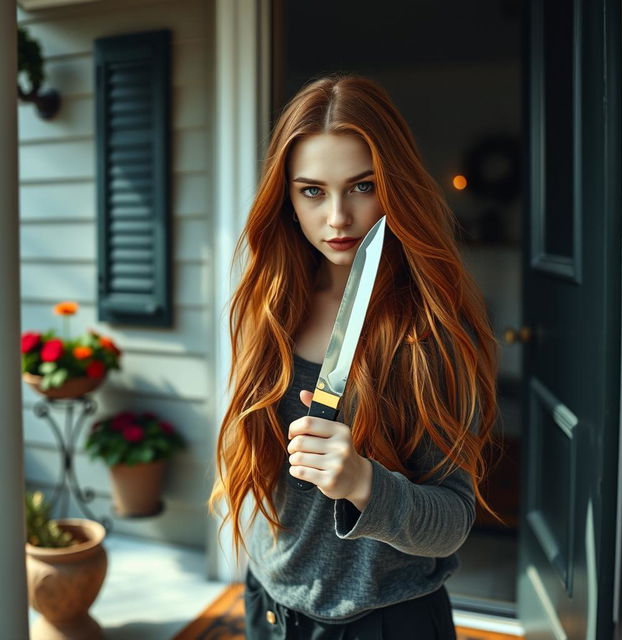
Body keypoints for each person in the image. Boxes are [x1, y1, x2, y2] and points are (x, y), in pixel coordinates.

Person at [209, 73, 499, 639]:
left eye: (362, 187)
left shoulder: (432, 328)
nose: (337, 217)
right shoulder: (267, 305)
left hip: (385, 621)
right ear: (286, 197)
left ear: (394, 186)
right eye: (312, 190)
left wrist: (364, 482)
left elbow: (452, 522)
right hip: (270, 601)